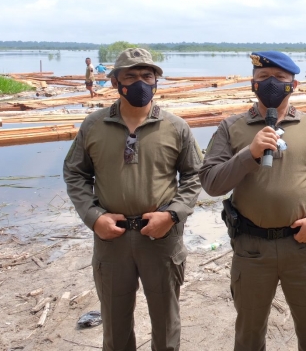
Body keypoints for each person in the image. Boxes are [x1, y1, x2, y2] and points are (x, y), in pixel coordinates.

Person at [200, 51, 306, 351]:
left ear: (293, 85)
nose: (271, 84)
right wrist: (248, 154)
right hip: (251, 248)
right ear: (253, 84)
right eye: (263, 79)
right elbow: (211, 182)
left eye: (280, 79)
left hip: (303, 247)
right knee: (249, 333)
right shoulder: (231, 128)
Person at [64, 48, 202, 351]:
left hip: (161, 238)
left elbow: (194, 176)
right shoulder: (94, 126)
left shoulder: (176, 127)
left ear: (155, 82)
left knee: (166, 324)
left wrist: (173, 214)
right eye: (130, 76)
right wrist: (93, 217)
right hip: (111, 239)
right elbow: (75, 175)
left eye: (146, 76)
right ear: (116, 82)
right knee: (114, 325)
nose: (140, 82)